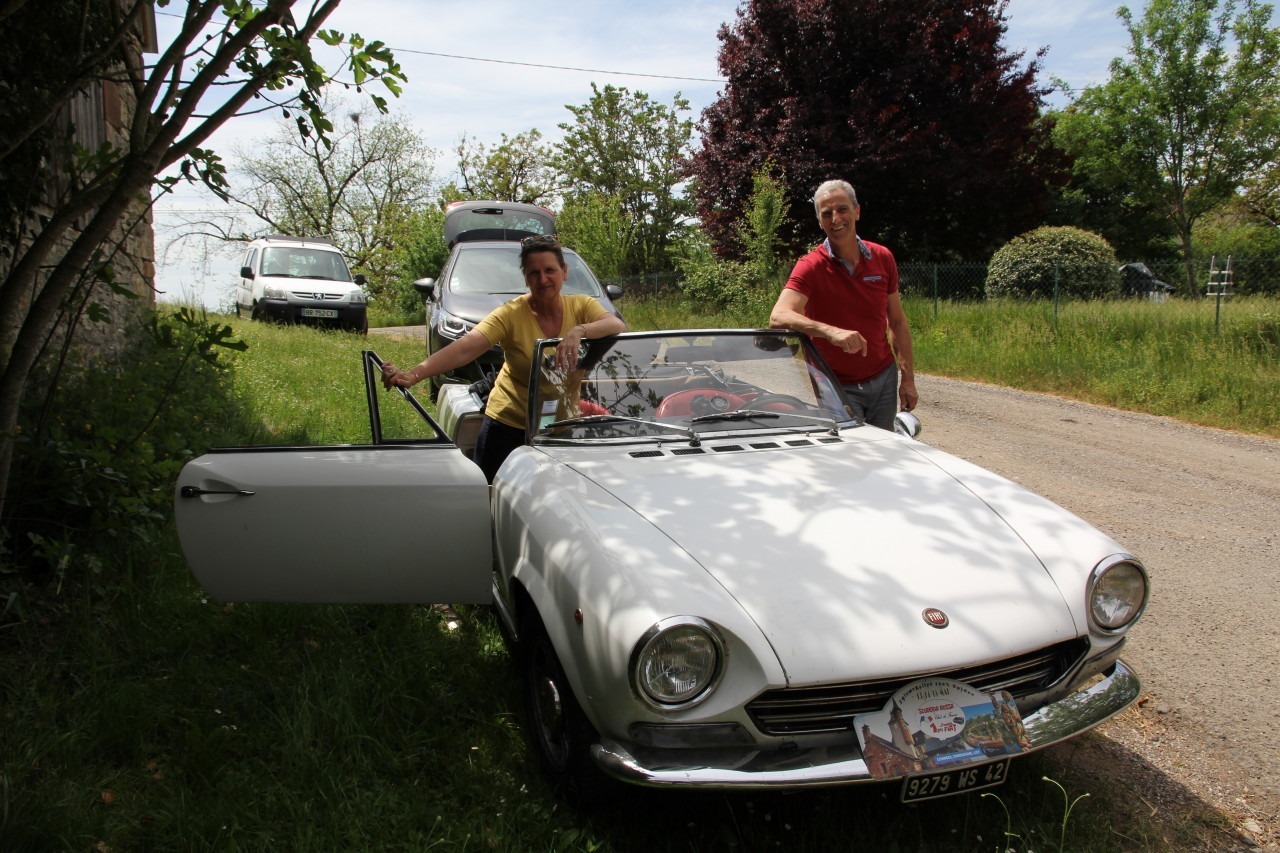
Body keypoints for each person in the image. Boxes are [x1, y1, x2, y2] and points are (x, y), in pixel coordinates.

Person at [382, 235, 627, 481]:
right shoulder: (510, 313)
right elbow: (465, 348)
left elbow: (616, 325)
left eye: (550, 270)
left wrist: (579, 331)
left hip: (558, 427)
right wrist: (413, 375)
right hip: (508, 426)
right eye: (534, 273)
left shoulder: (582, 306)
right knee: (491, 493)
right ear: (526, 278)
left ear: (564, 271)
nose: (543, 279)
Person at [769, 180, 917, 430]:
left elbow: (898, 322)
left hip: (883, 377)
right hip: (835, 385)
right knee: (852, 448)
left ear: (857, 211)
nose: (835, 219)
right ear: (820, 221)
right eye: (827, 213)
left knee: (884, 446)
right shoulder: (811, 266)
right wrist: (830, 331)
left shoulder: (882, 257)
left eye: (842, 209)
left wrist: (908, 379)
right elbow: (779, 316)